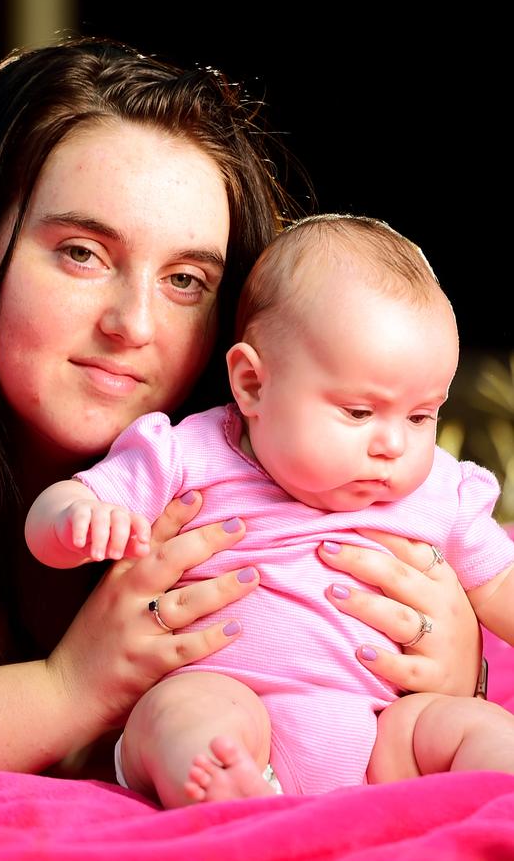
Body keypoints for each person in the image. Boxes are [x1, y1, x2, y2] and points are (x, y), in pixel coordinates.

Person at [0, 38, 483, 774]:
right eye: (81, 252)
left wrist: (452, 663)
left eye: (186, 279)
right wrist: (65, 692)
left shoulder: (265, 439)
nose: (133, 325)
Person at [26, 213, 514, 805]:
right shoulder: (188, 455)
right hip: (233, 696)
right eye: (360, 412)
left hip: (382, 735)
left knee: (470, 728)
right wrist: (75, 520)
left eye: (419, 415)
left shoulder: (435, 487)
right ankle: (218, 784)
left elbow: (503, 583)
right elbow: (68, 503)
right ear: (252, 384)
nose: (394, 445)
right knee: (180, 712)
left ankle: (497, 788)